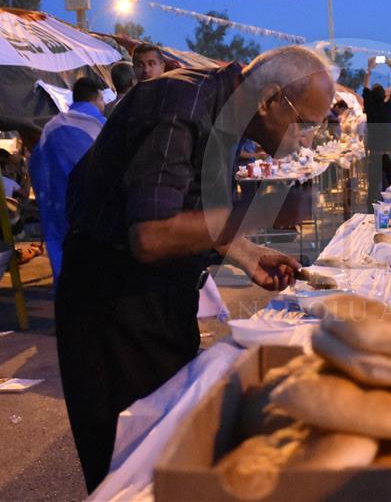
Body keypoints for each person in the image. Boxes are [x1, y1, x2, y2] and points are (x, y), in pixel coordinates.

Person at [57, 45, 332, 491]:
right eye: (305, 124)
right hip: (112, 307)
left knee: (174, 451)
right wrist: (256, 215)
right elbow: (150, 235)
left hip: (160, 297)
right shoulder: (179, 104)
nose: (308, 140)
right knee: (133, 466)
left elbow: (190, 213)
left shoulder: (223, 113)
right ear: (269, 100)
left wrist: (246, 253)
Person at [28, 77, 107, 282]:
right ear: (98, 98)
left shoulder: (51, 127)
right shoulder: (102, 127)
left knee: (64, 272)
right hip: (93, 215)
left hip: (56, 210)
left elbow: (35, 164)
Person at [362, 57, 391, 204]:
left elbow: (365, 88)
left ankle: (372, 213)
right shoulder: (389, 107)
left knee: (373, 187)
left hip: (375, 154)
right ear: (385, 96)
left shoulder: (370, 109)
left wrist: (369, 70)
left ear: (371, 96)